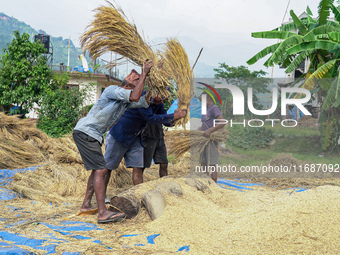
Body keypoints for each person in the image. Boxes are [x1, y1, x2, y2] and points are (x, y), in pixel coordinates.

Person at [72, 59, 153, 224]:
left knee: (97, 170)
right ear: (128, 80)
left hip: (91, 134)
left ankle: (86, 205)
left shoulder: (124, 102)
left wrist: (152, 79)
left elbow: (145, 101)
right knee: (102, 170)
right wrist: (144, 72)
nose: (137, 78)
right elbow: (136, 95)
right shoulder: (112, 90)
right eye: (136, 78)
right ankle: (102, 212)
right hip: (86, 131)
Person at [104, 93, 186, 186]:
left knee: (138, 167)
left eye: (165, 99)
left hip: (135, 137)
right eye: (162, 98)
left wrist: (177, 119)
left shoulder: (158, 103)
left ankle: (139, 194)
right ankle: (102, 197)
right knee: (108, 168)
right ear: (155, 92)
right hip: (120, 135)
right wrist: (173, 116)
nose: (163, 101)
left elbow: (164, 119)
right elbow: (150, 118)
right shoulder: (142, 97)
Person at [200, 92, 225, 182]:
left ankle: (214, 183)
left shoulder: (214, 108)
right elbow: (204, 124)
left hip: (211, 139)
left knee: (212, 162)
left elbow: (222, 122)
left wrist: (210, 130)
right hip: (203, 139)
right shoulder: (205, 110)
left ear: (208, 99)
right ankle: (205, 181)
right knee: (203, 161)